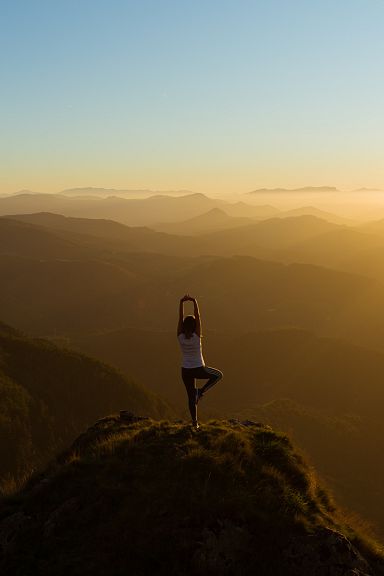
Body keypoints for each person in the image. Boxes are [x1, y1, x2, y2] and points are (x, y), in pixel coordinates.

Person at [177, 294, 223, 429]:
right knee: (218, 375)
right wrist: (194, 301)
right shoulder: (197, 336)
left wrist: (181, 303)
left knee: (190, 397)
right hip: (198, 368)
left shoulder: (180, 336)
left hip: (185, 371)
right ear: (194, 326)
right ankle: (201, 391)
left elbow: (180, 318)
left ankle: (195, 423)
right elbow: (198, 317)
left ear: (184, 326)